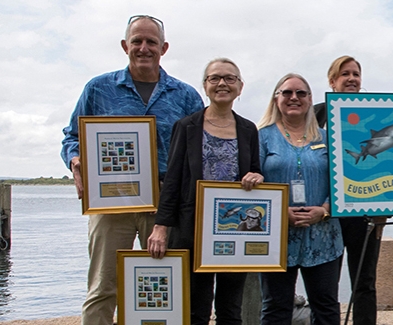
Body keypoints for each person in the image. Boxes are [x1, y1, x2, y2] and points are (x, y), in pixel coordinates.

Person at [59, 15, 203, 325]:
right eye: (137, 41)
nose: (143, 48)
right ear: (125, 46)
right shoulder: (98, 89)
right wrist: (75, 161)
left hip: (166, 202)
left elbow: (199, 151)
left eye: (151, 42)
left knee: (167, 284)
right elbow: (72, 137)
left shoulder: (186, 95)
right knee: (102, 287)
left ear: (163, 48)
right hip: (111, 202)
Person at [147, 58, 261, 325]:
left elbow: (254, 170)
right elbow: (173, 178)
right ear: (205, 86)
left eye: (229, 78)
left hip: (235, 230)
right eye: (214, 78)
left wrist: (256, 176)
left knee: (231, 308)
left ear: (240, 87)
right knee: (195, 307)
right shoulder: (186, 126)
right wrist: (161, 227)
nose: (222, 83)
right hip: (192, 229)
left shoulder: (248, 129)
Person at [259, 73, 345, 324]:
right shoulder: (261, 136)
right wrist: (278, 212)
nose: (293, 98)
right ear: (276, 99)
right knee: (275, 308)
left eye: (301, 93)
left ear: (310, 100)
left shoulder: (328, 138)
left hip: (323, 236)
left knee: (326, 307)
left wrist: (325, 210)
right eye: (286, 93)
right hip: (277, 237)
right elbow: (252, 180)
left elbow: (342, 181)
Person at [313, 55, 382, 325]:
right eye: (345, 74)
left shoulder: (373, 112)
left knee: (365, 283)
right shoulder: (315, 114)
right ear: (332, 81)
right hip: (325, 211)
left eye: (356, 73)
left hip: (364, 214)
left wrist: (385, 210)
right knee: (324, 285)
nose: (352, 78)